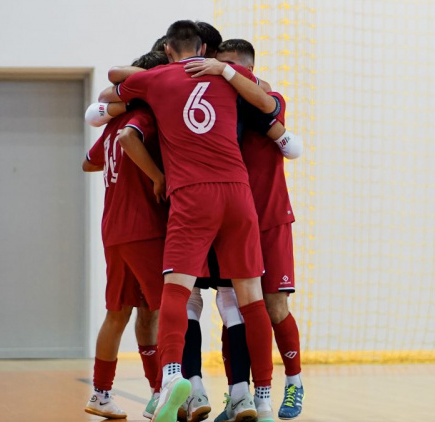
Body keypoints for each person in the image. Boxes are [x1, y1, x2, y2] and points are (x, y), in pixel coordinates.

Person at [107, 20, 279, 422]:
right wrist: (224, 70)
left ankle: (172, 379)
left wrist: (154, 73)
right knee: (249, 299)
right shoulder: (229, 78)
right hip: (238, 195)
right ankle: (263, 399)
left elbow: (112, 81)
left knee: (177, 292)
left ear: (167, 49)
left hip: (191, 195)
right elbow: (269, 100)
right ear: (204, 47)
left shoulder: (156, 80)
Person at [199, 39, 306, 421]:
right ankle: (238, 395)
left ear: (246, 68)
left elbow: (284, 133)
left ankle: (293, 383)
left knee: (275, 307)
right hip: (230, 223)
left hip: (270, 220)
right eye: (217, 65)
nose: (220, 72)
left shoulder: (269, 98)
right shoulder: (215, 108)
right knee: (234, 309)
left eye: (228, 66)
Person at [82, 51, 170, 420]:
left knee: (123, 313)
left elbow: (89, 162)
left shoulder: (113, 123)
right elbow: (132, 141)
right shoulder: (143, 116)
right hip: (143, 228)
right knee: (168, 311)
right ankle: (162, 392)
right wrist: (156, 176)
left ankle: (102, 393)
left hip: (114, 230)